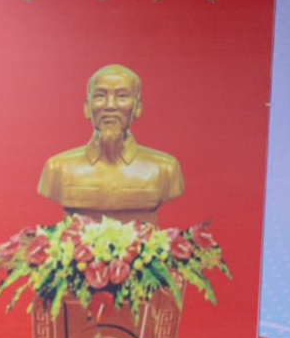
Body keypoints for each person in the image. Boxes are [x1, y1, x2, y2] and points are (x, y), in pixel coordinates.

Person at [36, 64, 185, 223]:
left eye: (122, 96)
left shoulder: (165, 168)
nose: (110, 105)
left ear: (137, 108)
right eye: (100, 96)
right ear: (87, 108)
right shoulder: (58, 168)